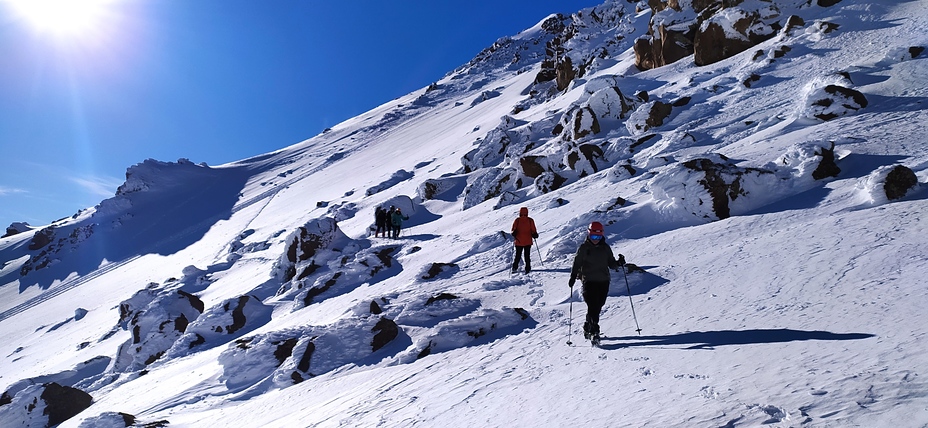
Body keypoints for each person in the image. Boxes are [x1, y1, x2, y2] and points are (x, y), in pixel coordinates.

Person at [568, 221, 626, 342]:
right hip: (588, 281)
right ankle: (595, 330)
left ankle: (587, 325)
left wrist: (619, 263)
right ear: (589, 234)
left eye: (598, 237)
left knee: (598, 306)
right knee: (593, 305)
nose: (596, 239)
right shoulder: (584, 248)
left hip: (603, 281)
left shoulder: (605, 248)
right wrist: (573, 277)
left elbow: (611, 264)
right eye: (594, 236)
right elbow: (577, 263)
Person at [510, 207, 538, 274]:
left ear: (519, 213)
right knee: (527, 256)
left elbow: (513, 229)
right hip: (528, 241)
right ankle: (528, 268)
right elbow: (533, 230)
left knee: (518, 255)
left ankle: (514, 268)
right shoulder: (530, 220)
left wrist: (514, 233)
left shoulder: (517, 220)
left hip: (518, 241)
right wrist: (535, 234)